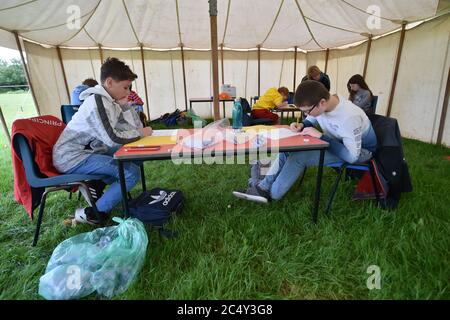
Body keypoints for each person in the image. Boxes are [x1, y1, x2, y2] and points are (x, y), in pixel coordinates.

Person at [232, 80, 377, 203]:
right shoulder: (326, 102)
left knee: (299, 157)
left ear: (321, 103)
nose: (306, 114)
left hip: (361, 151)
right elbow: (311, 119)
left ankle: (272, 196)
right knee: (289, 147)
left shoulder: (348, 117)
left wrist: (321, 137)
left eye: (307, 110)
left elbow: (352, 157)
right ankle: (263, 187)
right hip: (337, 143)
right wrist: (302, 125)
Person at [53, 57, 153, 224]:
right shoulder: (98, 102)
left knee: (136, 155)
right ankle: (94, 213)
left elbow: (129, 126)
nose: (129, 92)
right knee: (131, 173)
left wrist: (125, 106)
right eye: (126, 87)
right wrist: (141, 133)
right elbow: (114, 138)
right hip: (73, 157)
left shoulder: (109, 102)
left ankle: (97, 186)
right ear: (109, 82)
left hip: (90, 151)